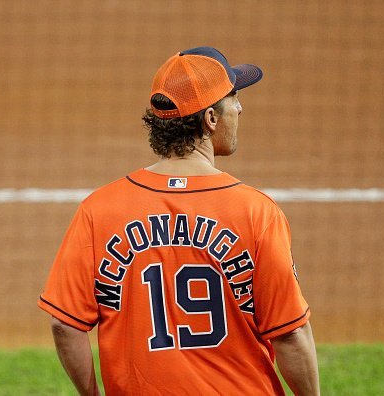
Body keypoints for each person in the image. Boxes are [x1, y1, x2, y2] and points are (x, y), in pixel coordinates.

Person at [38, 46, 320, 395]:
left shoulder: (99, 209)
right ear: (210, 119)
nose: (240, 107)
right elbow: (290, 332)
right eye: (233, 98)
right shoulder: (255, 212)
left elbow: (64, 324)